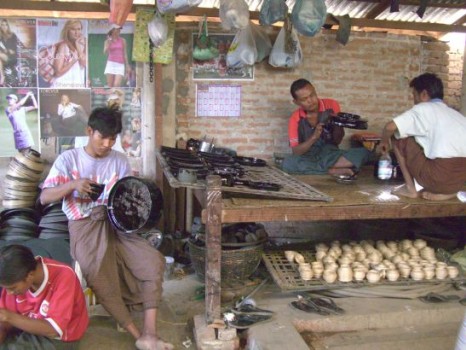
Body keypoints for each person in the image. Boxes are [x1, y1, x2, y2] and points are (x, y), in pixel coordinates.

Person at [39, 107, 173, 350]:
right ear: (89, 131)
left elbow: (124, 196)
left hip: (115, 223)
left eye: (113, 139)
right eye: (103, 137)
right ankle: (136, 334)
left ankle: (150, 331)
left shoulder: (119, 160)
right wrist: (72, 185)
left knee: (151, 261)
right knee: (100, 274)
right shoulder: (68, 160)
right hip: (84, 225)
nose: (108, 144)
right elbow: (45, 197)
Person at [379, 73, 466, 201]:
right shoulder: (457, 116)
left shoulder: (423, 108)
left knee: (398, 136)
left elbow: (389, 127)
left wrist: (384, 140)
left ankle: (410, 189)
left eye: (414, 96)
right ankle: (449, 192)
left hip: (437, 177)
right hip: (459, 181)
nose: (414, 101)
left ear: (424, 94)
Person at [0, 244, 88, 348]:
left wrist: (9, 317)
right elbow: (5, 324)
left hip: (59, 337)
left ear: (30, 276)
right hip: (27, 327)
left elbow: (53, 330)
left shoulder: (64, 276)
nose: (9, 293)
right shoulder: (13, 279)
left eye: (12, 288)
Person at [282, 79, 371, 176]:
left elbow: (337, 141)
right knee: (288, 162)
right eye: (304, 99)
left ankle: (323, 169)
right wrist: (314, 137)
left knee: (363, 152)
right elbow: (296, 152)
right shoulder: (295, 118)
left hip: (330, 153)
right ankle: (332, 170)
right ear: (296, 102)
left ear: (315, 91)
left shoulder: (331, 105)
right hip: (308, 156)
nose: (310, 101)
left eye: (312, 95)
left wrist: (338, 125)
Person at [50, 20, 86, 88]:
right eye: (73, 29)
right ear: (68, 31)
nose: (76, 32)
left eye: (79, 29)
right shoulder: (63, 46)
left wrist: (77, 45)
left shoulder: (82, 45)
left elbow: (84, 64)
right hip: (63, 85)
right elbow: (58, 72)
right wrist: (73, 61)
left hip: (77, 84)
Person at [0, 19, 19, 87]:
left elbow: (14, 50)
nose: (4, 26)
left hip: (11, 57)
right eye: (2, 25)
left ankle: (2, 76)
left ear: (8, 26)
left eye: (6, 25)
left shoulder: (12, 35)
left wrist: (7, 50)